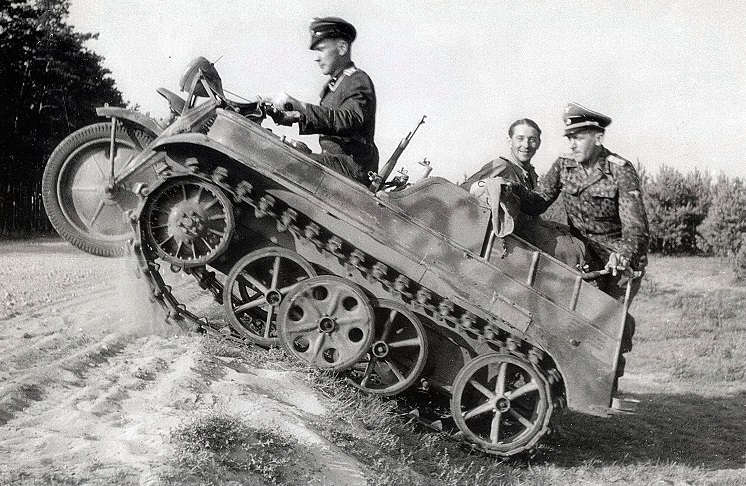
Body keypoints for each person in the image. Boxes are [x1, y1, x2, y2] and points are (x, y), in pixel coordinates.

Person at [512, 103, 650, 304]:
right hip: (581, 259)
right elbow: (537, 202)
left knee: (608, 319)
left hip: (617, 266)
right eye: (570, 138)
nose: (572, 145)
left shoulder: (620, 170)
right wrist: (512, 189)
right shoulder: (564, 165)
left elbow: (636, 229)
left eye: (578, 138)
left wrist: (623, 255)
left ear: (598, 139)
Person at [260, 17, 379, 185]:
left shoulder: (357, 79)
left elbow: (350, 119)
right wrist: (293, 116)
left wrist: (301, 106)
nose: (316, 58)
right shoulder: (336, 84)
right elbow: (330, 119)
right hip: (338, 164)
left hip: (351, 169)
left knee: (277, 159)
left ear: (342, 48)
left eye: (321, 50)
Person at [462, 119, 586, 268]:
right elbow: (465, 188)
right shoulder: (503, 166)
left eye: (532, 139)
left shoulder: (530, 173)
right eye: (520, 139)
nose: (526, 145)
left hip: (526, 240)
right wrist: (490, 184)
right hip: (510, 247)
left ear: (538, 143)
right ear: (510, 141)